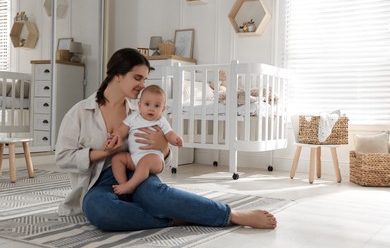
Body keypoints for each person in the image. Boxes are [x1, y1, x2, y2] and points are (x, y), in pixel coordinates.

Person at [55, 47, 277, 231]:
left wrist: (164, 148)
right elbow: (63, 158)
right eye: (137, 78)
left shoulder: (144, 110)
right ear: (117, 75)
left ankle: (233, 214)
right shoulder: (80, 112)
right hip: (99, 183)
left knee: (158, 196)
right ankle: (177, 218)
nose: (143, 85)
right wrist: (104, 153)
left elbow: (162, 162)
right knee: (101, 212)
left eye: (145, 79)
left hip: (138, 172)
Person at [106, 84, 183, 195]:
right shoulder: (133, 118)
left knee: (145, 162)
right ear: (139, 105)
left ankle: (131, 185)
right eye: (147, 104)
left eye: (157, 106)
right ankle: (123, 184)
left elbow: (169, 133)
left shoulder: (161, 121)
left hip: (154, 159)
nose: (151, 108)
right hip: (133, 159)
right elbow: (122, 130)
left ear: (163, 109)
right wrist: (116, 136)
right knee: (117, 158)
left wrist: (176, 139)